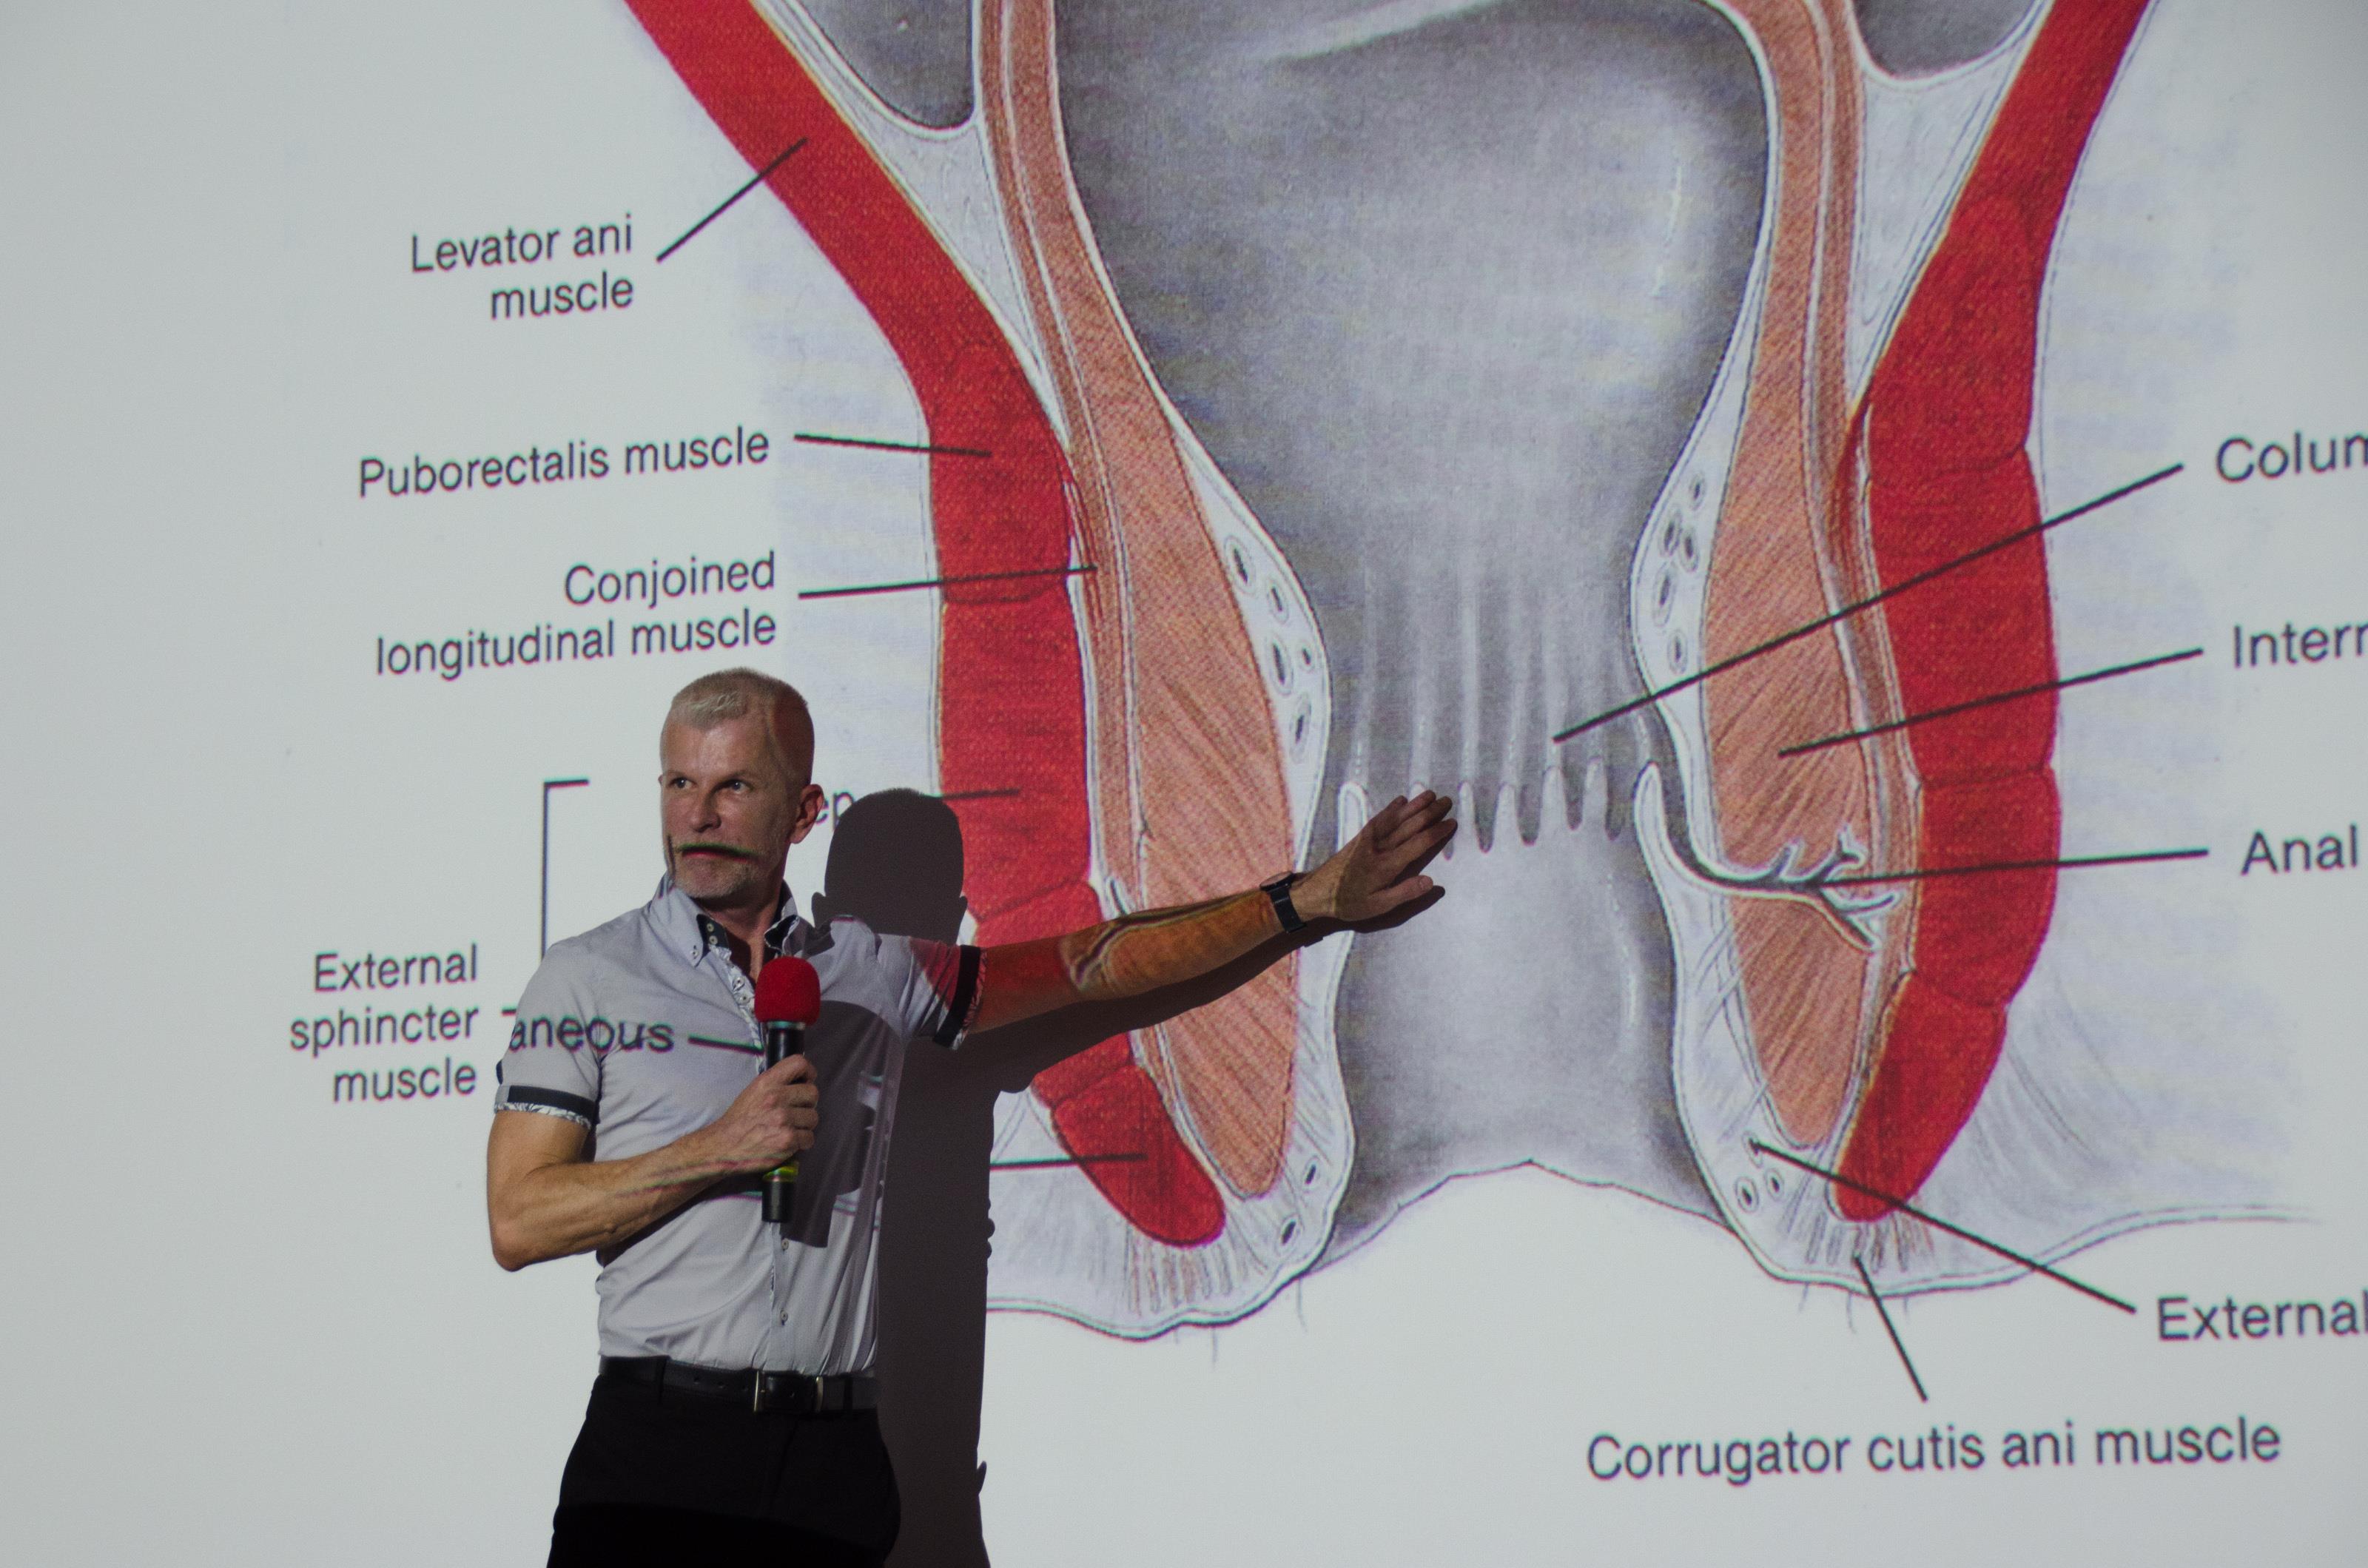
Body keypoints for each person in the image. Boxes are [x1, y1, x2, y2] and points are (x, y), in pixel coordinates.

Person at [486, 667, 1456, 1565]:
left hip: (833, 1467)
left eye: (733, 786)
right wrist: (716, 1150)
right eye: (679, 784)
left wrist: (1304, 901)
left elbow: (1089, 964)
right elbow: (519, 1220)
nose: (698, 816)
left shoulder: (871, 972)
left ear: (804, 812)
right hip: (658, 1459)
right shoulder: (588, 977)